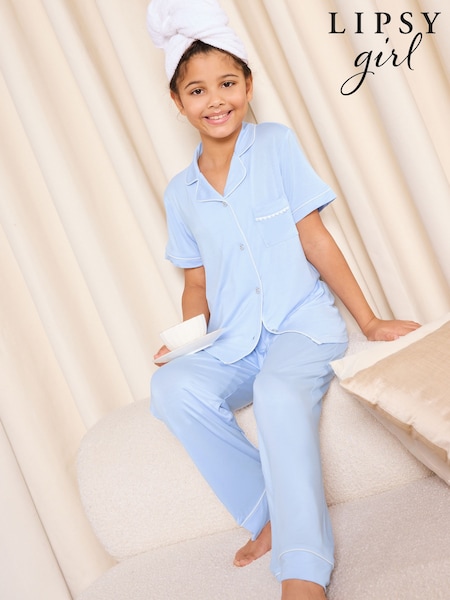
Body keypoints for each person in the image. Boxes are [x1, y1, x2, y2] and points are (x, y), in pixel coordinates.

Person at [147, 1, 420, 598]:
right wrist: (186, 344)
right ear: (177, 102)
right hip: (236, 340)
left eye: (227, 83)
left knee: (276, 391)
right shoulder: (180, 193)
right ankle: (267, 512)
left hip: (302, 327)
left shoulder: (275, 144)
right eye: (197, 90)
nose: (215, 99)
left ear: (248, 85)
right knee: (171, 387)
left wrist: (369, 321)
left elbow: (314, 237)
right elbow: (196, 284)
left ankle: (304, 569)